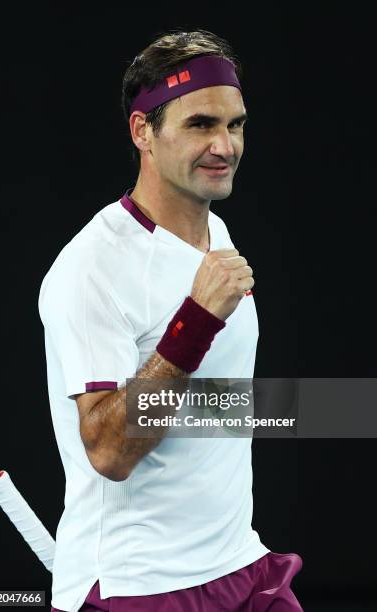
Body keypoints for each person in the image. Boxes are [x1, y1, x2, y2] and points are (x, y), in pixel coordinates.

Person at [39, 29, 303, 612]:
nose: (225, 146)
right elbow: (108, 451)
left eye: (235, 125)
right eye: (201, 124)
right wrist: (197, 320)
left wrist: (344, 410)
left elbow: (216, 403)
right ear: (143, 133)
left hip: (239, 563)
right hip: (142, 586)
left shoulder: (215, 234)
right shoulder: (89, 268)